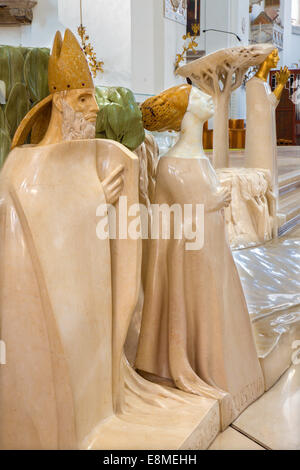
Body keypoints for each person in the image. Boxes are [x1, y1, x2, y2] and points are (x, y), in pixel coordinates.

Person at [135, 84, 265, 428]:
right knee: (201, 306)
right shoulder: (170, 165)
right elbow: (166, 223)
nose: (209, 98)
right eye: (200, 97)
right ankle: (192, 361)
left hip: (214, 253)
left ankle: (227, 367)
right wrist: (208, 205)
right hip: (189, 260)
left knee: (219, 306)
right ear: (188, 111)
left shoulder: (199, 157)